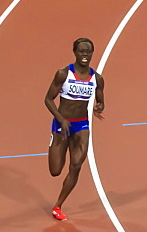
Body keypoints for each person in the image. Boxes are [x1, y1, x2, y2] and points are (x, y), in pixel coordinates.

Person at [44, 37, 105, 221]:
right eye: (81, 51)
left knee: (77, 165)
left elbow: (100, 99)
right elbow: (48, 99)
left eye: (88, 51)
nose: (85, 54)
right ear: (75, 53)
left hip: (81, 125)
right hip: (61, 124)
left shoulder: (97, 78)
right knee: (55, 170)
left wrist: (99, 106)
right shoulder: (63, 73)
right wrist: (61, 119)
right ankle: (55, 144)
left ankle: (58, 206)